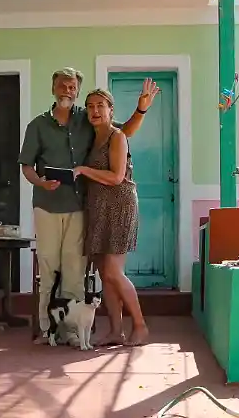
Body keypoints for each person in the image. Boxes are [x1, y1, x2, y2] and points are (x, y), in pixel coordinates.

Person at [18, 67, 158, 345]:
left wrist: (141, 109)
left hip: (100, 207)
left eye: (72, 87)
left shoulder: (99, 126)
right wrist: (42, 182)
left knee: (93, 271)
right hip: (72, 206)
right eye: (62, 85)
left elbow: (124, 135)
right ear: (53, 88)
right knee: (74, 270)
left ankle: (110, 328)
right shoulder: (53, 126)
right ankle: (71, 330)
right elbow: (27, 165)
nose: (67, 91)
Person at [74, 89, 152, 346]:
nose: (95, 111)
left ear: (110, 110)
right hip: (98, 208)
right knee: (104, 273)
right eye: (90, 106)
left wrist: (83, 170)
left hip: (120, 206)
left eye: (100, 105)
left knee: (113, 271)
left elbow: (117, 177)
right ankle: (115, 331)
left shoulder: (117, 136)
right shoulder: (92, 137)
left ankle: (140, 326)